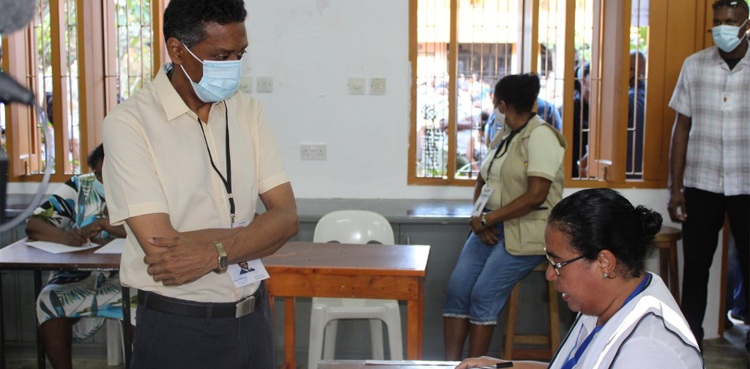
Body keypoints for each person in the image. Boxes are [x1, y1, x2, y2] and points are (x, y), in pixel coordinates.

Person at [101, 0, 299, 368]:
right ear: (177, 50)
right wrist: (255, 233)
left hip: (253, 319)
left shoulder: (249, 113)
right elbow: (164, 253)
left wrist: (214, 253)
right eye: (221, 55)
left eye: (240, 54)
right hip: (177, 327)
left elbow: (287, 219)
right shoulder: (129, 124)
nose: (233, 67)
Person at [456, 188, 704, 369]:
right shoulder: (608, 301)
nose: (551, 274)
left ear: (605, 262)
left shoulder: (647, 349)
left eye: (558, 264)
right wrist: (502, 366)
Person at [443, 73, 566, 360]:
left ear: (502, 105)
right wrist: (479, 219)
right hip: (490, 226)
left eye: (496, 102)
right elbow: (482, 181)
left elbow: (536, 195)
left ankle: (474, 367)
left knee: (482, 296)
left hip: (526, 234)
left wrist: (488, 219)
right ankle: (449, 366)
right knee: (457, 291)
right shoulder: (505, 134)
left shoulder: (541, 136)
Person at [668, 0, 750, 350]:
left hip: (747, 185)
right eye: (717, 22)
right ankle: (690, 345)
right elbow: (680, 128)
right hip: (701, 185)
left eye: (730, 21)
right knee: (696, 268)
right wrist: (675, 188)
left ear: (746, 24)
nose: (723, 28)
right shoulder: (694, 65)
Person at [25, 144, 129, 369]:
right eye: (99, 175)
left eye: (112, 175)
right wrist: (65, 236)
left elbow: (153, 230)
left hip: (125, 280)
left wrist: (106, 225)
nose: (105, 181)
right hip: (76, 279)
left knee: (145, 304)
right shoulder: (79, 186)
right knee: (48, 299)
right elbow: (34, 224)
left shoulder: (139, 187)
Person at [627, 51, 646, 176]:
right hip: (643, 171)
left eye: (628, 68)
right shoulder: (648, 95)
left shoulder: (629, 100)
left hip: (628, 170)